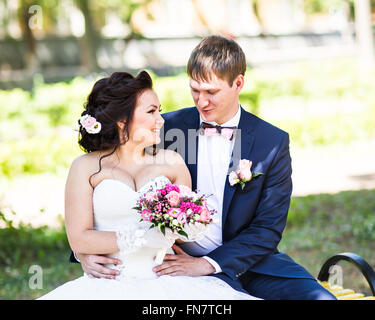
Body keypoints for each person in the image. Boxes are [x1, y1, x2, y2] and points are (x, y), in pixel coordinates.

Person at [76, 35, 337, 300]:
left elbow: (267, 229)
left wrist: (208, 265)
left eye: (211, 92)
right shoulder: (164, 128)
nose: (201, 101)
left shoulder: (271, 142)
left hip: (251, 264)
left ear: (238, 83)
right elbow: (103, 178)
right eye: (195, 90)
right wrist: (84, 253)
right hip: (172, 264)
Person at [38, 70, 257, 300]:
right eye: (151, 111)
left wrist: (190, 224)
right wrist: (140, 237)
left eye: (159, 111)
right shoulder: (85, 167)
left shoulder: (172, 162)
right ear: (122, 120)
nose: (161, 120)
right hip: (108, 283)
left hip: (167, 280)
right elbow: (79, 238)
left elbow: (184, 232)